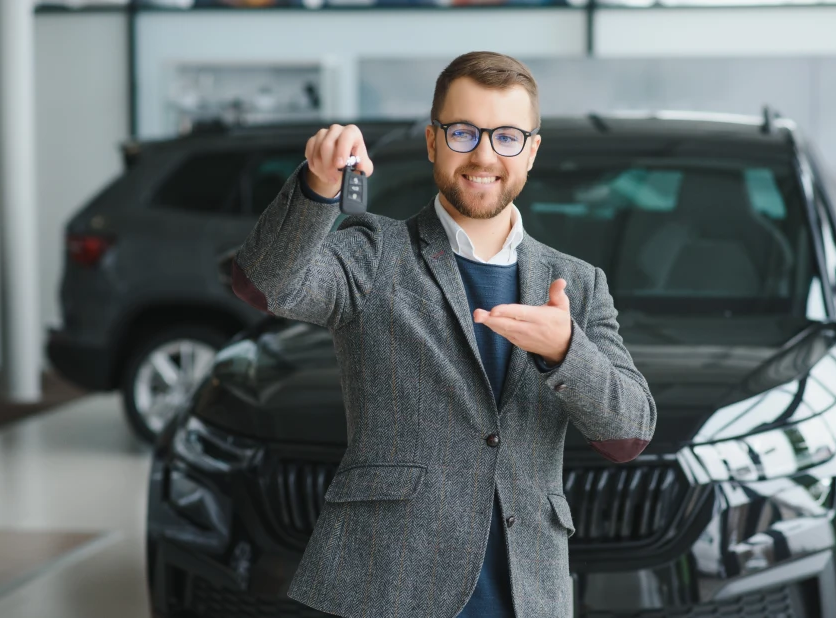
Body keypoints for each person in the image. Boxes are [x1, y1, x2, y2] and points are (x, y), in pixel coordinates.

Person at [231, 51, 656, 618]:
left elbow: (629, 433)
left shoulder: (578, 284)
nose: (483, 155)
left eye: (506, 137)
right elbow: (266, 285)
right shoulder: (373, 253)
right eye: (463, 132)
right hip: (386, 590)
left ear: (530, 150)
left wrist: (566, 352)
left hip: (527, 597)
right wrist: (318, 188)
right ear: (433, 142)